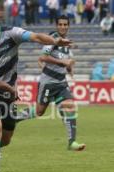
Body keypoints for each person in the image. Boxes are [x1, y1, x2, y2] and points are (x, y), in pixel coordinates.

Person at [0, 10, 72, 172]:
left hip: (9, 96)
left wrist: (55, 41)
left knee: (5, 139)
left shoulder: (11, 34)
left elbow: (36, 37)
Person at [16, 15, 86, 151]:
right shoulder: (52, 39)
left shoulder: (66, 44)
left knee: (70, 106)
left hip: (61, 82)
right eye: (60, 24)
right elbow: (43, 57)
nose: (63, 27)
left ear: (68, 26)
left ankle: (72, 142)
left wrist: (69, 67)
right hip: (48, 83)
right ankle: (13, 117)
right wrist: (63, 62)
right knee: (39, 111)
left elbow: (66, 62)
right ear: (56, 25)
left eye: (65, 25)